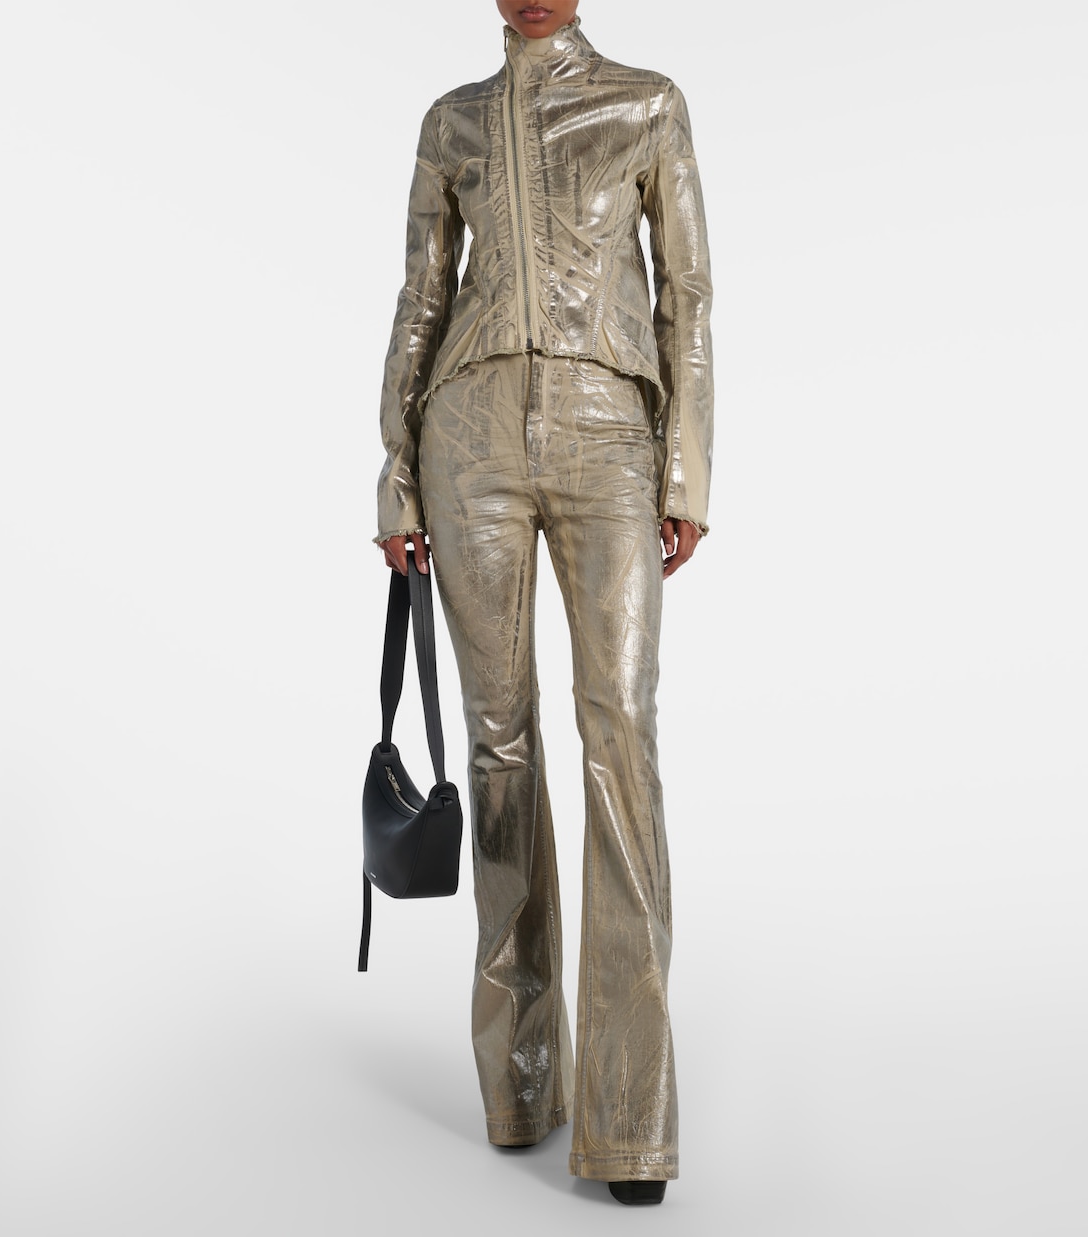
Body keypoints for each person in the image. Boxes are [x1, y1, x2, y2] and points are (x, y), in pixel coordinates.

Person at [373, 0, 712, 1206]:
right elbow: (421, 300)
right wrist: (396, 470)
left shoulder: (644, 104)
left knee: (619, 729)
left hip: (609, 434)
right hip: (465, 440)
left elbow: (685, 296)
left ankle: (629, 1122)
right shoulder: (451, 121)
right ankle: (519, 1080)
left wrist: (685, 470)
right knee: (498, 746)